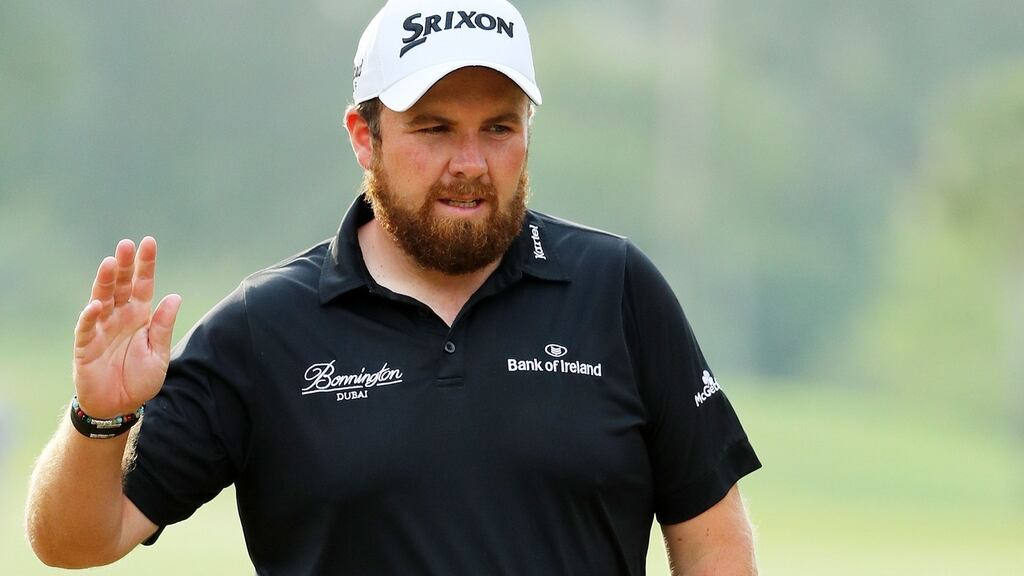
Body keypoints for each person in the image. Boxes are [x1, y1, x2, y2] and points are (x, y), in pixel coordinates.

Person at [25, 0, 761, 573]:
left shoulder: (616, 288)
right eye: (434, 129)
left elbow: (715, 543)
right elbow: (75, 542)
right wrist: (99, 420)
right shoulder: (265, 326)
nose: (470, 163)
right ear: (363, 135)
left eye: (499, 128)